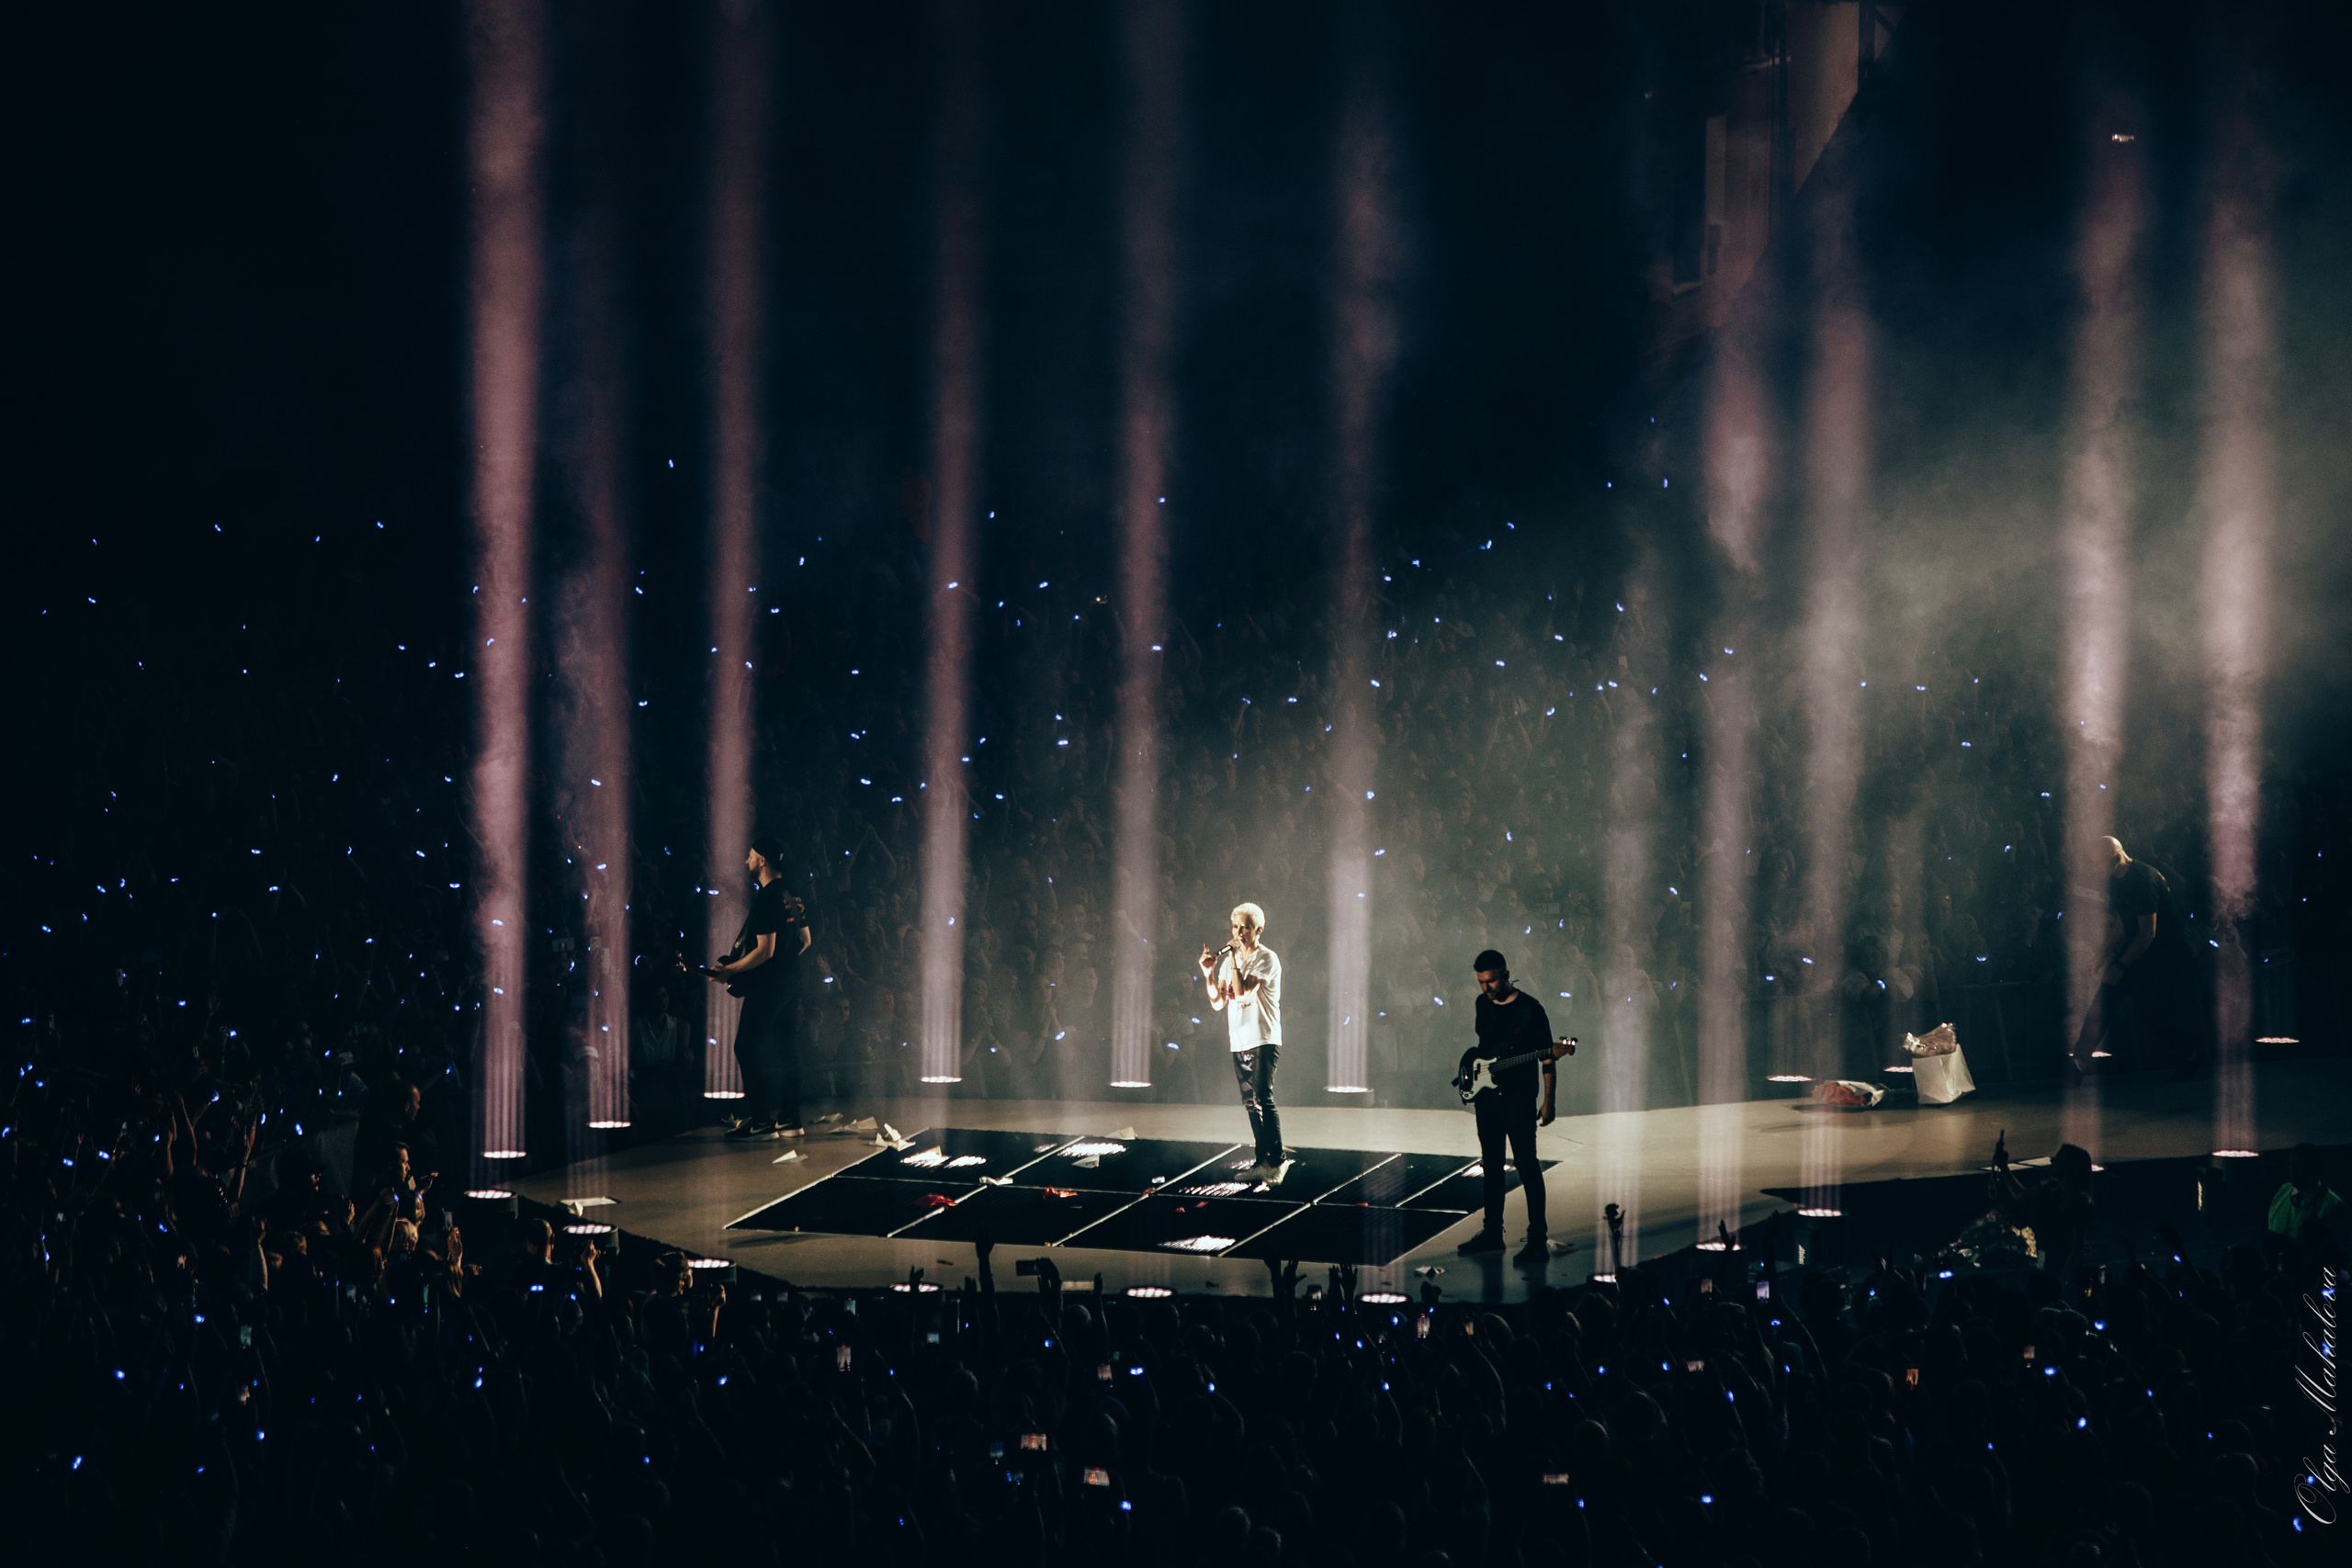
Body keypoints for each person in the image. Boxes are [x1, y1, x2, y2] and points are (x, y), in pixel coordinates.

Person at [691, 835, 812, 1140]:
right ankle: (791, 1119)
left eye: (750, 855)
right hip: (792, 984)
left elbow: (764, 951)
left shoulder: (767, 898)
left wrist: (728, 970)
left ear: (762, 861)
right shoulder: (793, 894)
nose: (746, 860)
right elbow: (805, 940)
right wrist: (785, 964)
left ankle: (761, 1121)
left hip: (768, 987)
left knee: (745, 1048)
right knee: (788, 1048)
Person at [1457, 950, 1561, 1268]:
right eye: (1481, 982)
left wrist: (1549, 1100)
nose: (1485, 988)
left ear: (1505, 974)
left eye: (1490, 982)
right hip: (1487, 1098)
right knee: (1491, 1164)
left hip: (1518, 1097)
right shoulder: (1481, 1004)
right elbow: (1483, 1048)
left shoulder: (1531, 1009)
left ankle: (1538, 1240)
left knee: (1527, 1165)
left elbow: (1547, 1057)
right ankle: (1492, 1232)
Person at [2072, 836, 2203, 1078]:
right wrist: (2100, 958)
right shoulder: (2116, 880)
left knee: (2151, 1013)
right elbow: (2121, 925)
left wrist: (2120, 966)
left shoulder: (2142, 880)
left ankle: (2189, 1055)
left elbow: (2148, 933)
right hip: (2141, 949)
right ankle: (2079, 1061)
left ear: (2117, 858)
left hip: (2164, 954)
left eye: (2099, 862)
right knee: (2109, 997)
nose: (2096, 868)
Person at [1201, 902, 1284, 1181]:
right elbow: (1218, 1002)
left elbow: (1244, 991)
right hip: (1239, 1039)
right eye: (1235, 926)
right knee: (1250, 1102)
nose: (1238, 933)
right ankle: (1262, 1161)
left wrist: (1235, 959)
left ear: (1259, 930)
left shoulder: (1267, 958)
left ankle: (1278, 1161)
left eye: (1245, 927)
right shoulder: (1228, 963)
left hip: (1263, 1037)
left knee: (1263, 1097)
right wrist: (1209, 973)